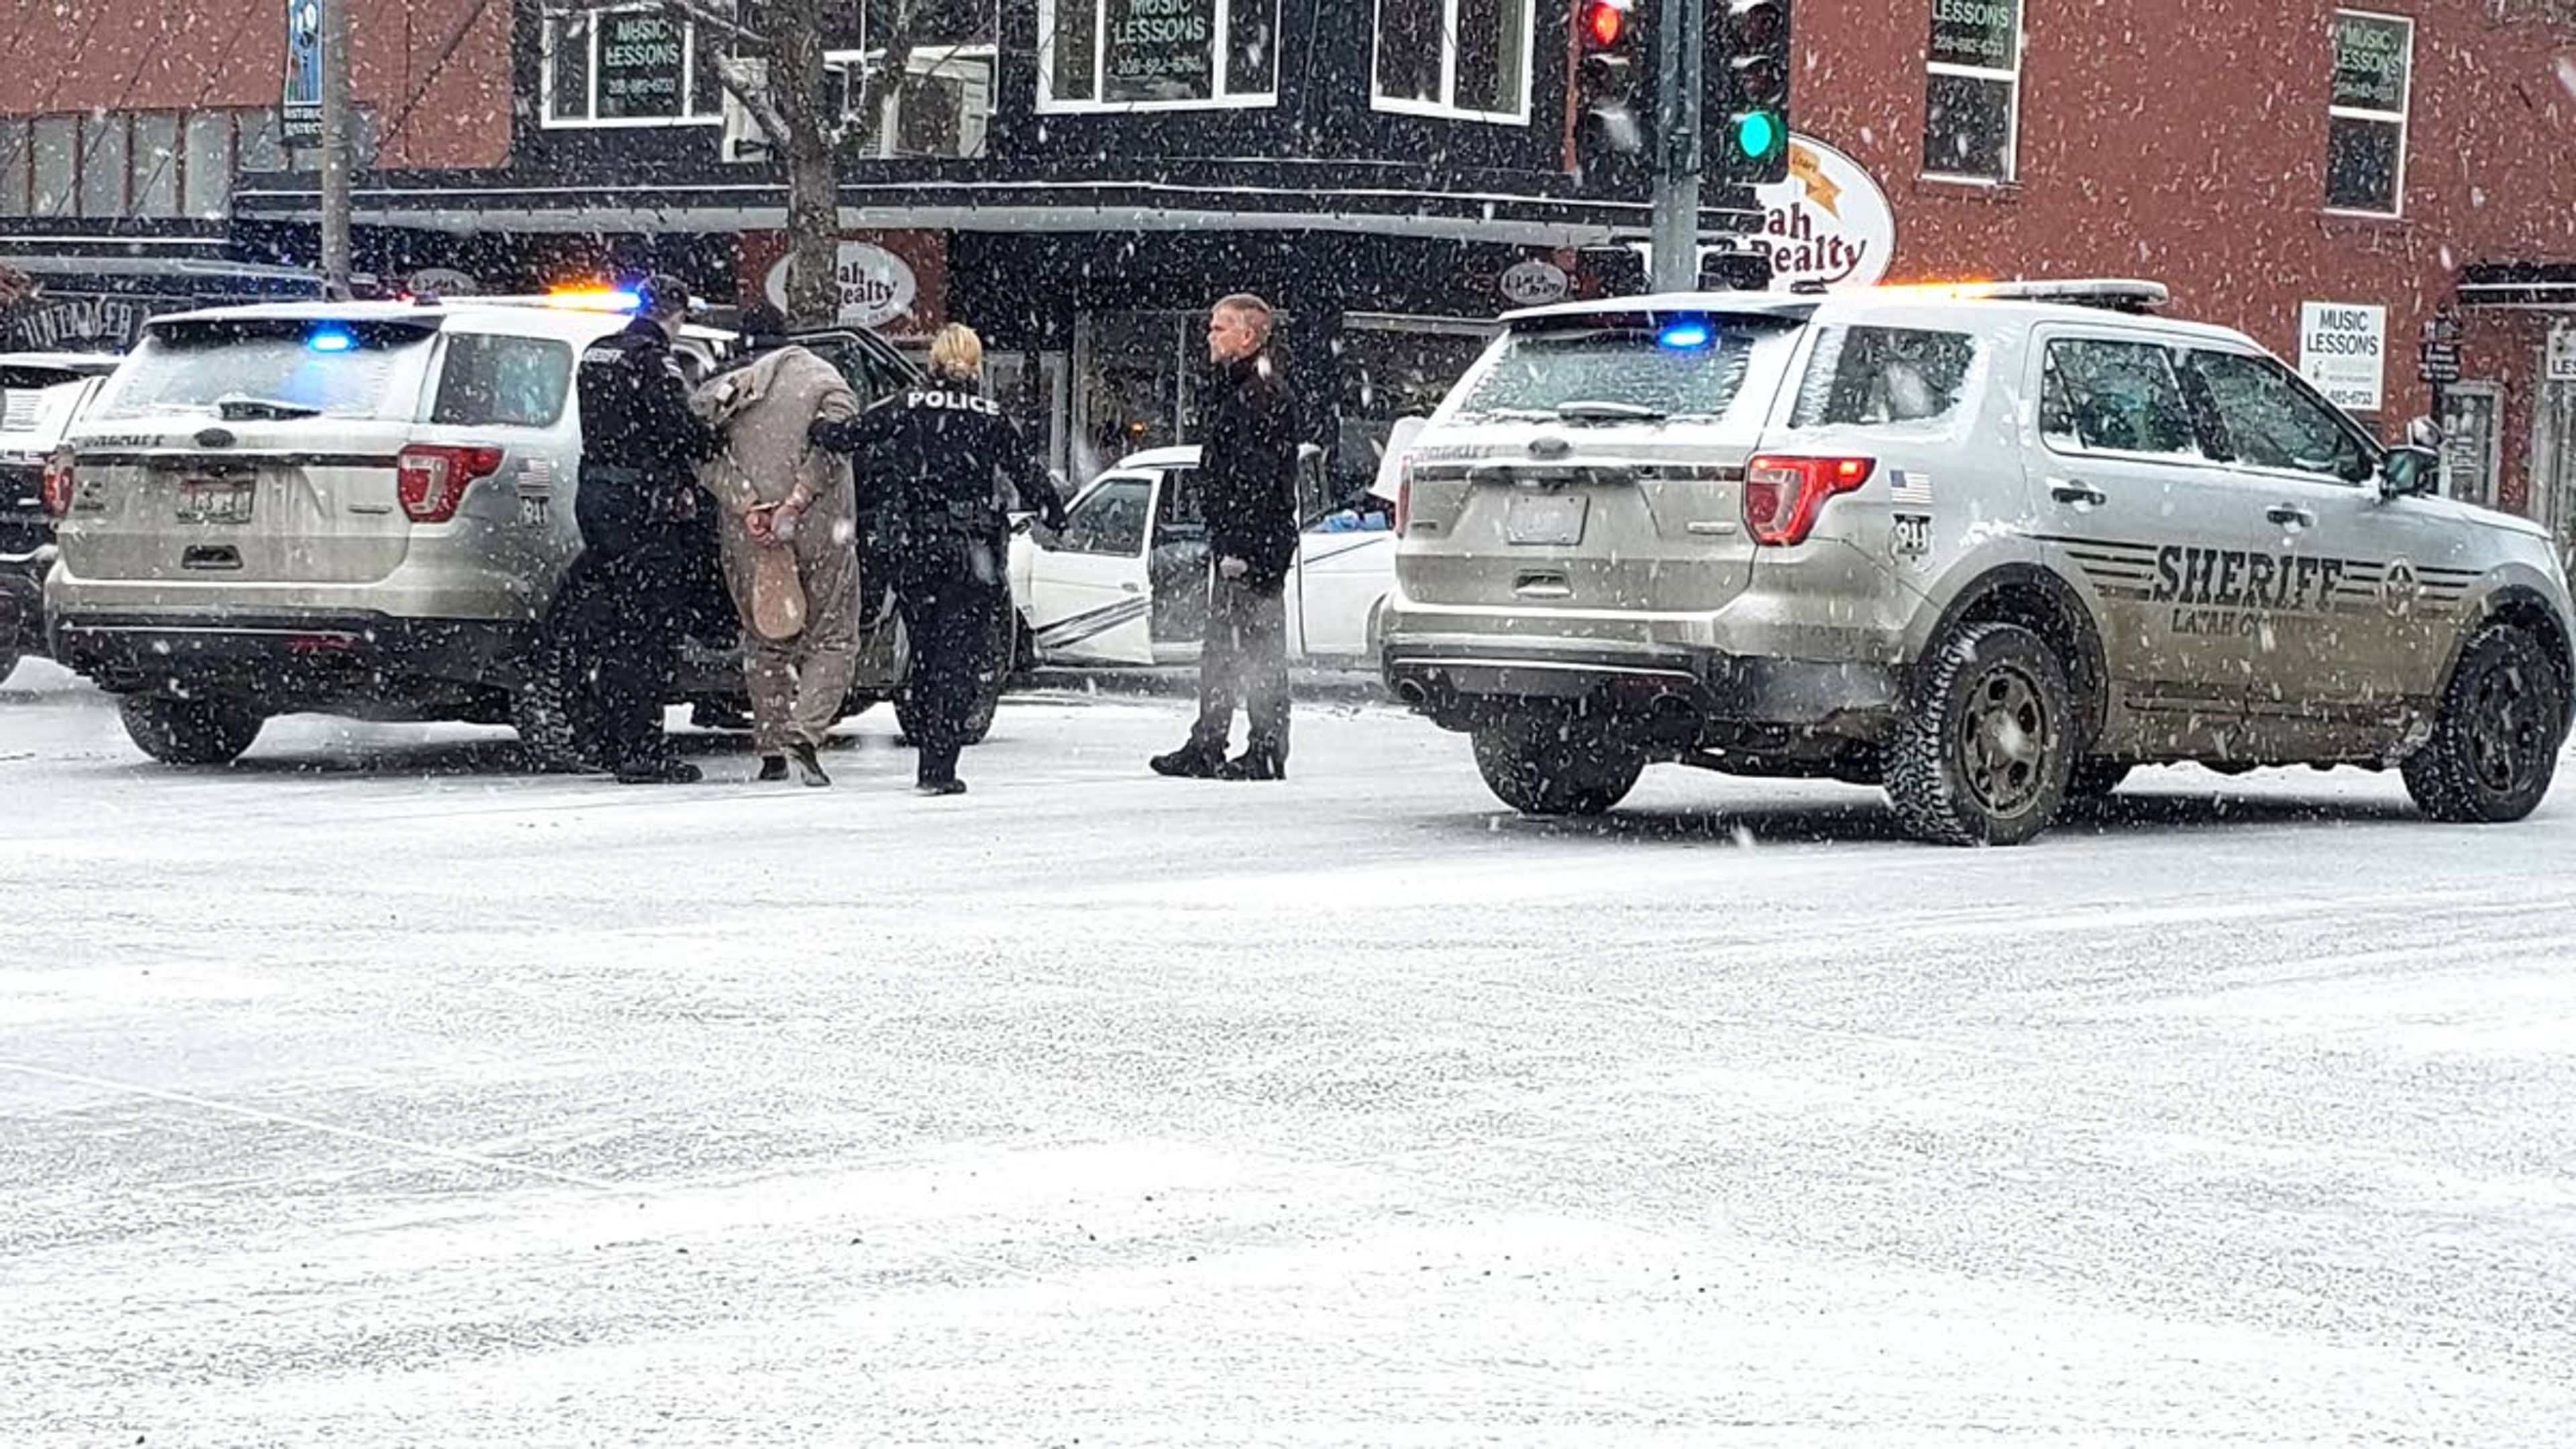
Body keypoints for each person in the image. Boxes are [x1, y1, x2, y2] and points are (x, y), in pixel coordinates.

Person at [808, 323, 1067, 796]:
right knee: (959, 657)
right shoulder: (991, 415)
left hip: (916, 548)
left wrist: (815, 426)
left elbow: (849, 435)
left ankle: (927, 738)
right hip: (973, 553)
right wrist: (1058, 515)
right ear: (975, 363)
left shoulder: (908, 404)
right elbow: (1028, 474)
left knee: (924, 652)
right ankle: (939, 766)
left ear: (933, 360)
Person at [555, 272, 724, 785]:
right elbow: (673, 429)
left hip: (597, 499)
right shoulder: (654, 359)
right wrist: (710, 437)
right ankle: (641, 749)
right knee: (648, 631)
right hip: (640, 506)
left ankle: (606, 738)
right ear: (674, 313)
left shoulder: (598, 351)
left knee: (610, 624)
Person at [689, 303, 864, 787]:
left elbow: (698, 454)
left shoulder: (721, 391)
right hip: (821, 523)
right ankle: (805, 731)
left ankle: (769, 746)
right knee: (833, 634)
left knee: (765, 636)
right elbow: (838, 442)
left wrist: (746, 502)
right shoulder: (824, 377)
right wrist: (796, 500)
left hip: (749, 532)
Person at [1150, 293, 1303, 782]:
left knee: (1257, 647)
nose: (1210, 336)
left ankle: (1264, 747)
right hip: (1237, 539)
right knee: (1222, 646)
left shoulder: (1260, 395)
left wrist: (1240, 545)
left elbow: (1256, 480)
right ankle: (1209, 741)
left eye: (1219, 328)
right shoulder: (1233, 390)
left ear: (1248, 336)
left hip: (1253, 545)